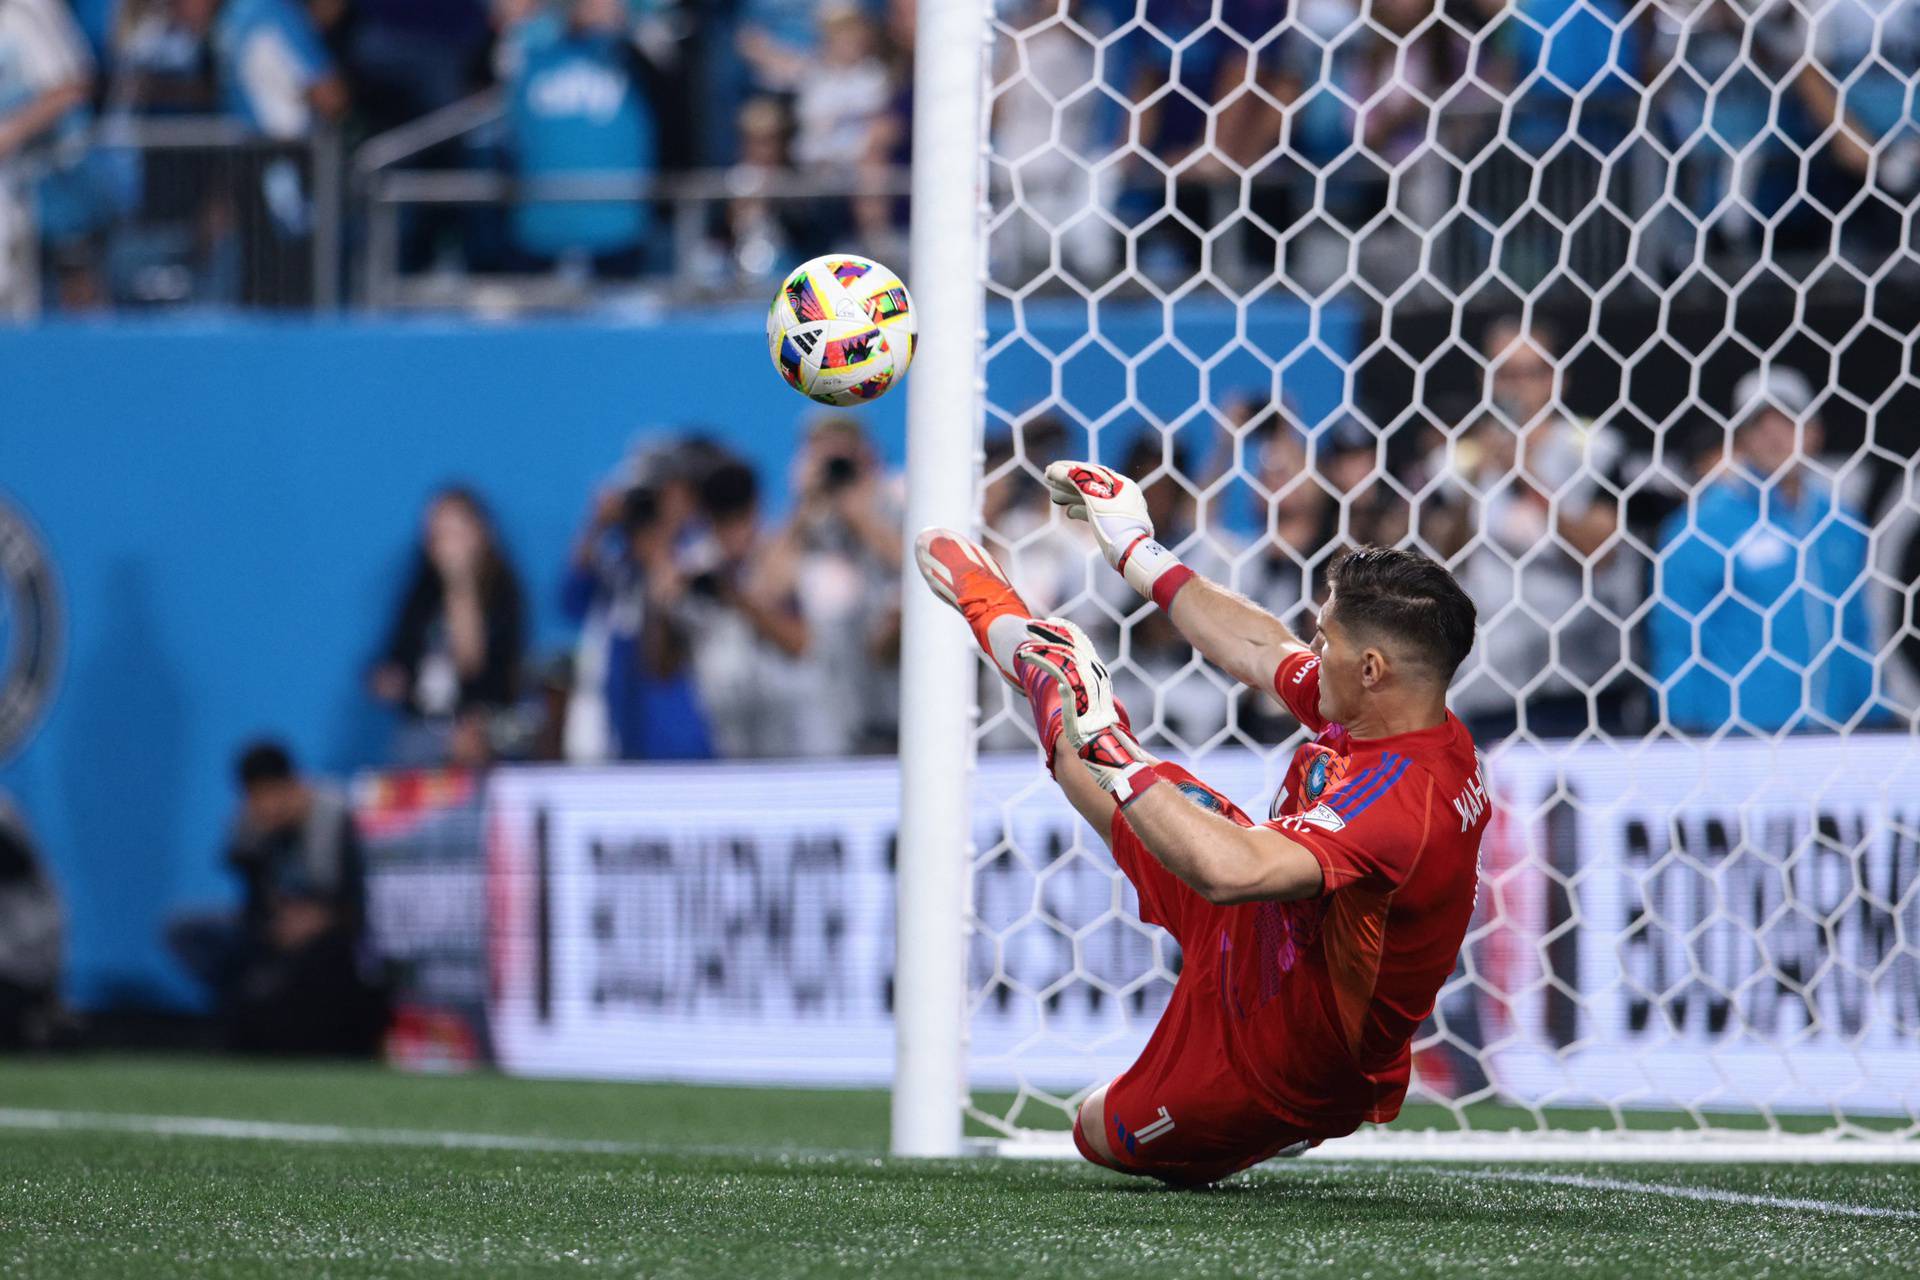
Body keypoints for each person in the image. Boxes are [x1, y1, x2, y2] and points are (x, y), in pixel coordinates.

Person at [913, 459, 1487, 1185]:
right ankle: (993, 606)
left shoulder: (1405, 801)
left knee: (1096, 1129)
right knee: (1075, 758)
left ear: (1371, 667)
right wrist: (1134, 549)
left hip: (1281, 1056)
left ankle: (1254, 1130)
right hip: (1269, 926)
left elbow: (1228, 873)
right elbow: (1258, 647)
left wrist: (1110, 737)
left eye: (1326, 640)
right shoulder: (1394, 714)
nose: (1313, 651)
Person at [1649, 366, 1882, 735]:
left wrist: (1874, 715)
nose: (1773, 435)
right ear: (1739, 438)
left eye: (1787, 420)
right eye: (1758, 424)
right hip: (1739, 743)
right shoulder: (1700, 527)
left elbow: (1857, 631)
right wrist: (1685, 733)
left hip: (1834, 740)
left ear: (1815, 432)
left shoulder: (1840, 523)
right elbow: (1676, 641)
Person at [167, 741, 383, 1054]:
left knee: (327, 958)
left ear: (293, 785)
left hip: (335, 933)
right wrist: (273, 922)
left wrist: (324, 919)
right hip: (279, 930)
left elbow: (363, 897)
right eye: (255, 797)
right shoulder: (251, 825)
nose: (266, 806)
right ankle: (240, 1016)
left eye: (271, 794)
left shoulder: (335, 816)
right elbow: (253, 899)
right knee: (188, 930)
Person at [562, 468, 714, 761]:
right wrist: (596, 525)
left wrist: (665, 549)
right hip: (619, 744)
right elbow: (571, 600)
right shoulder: (615, 577)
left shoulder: (695, 567)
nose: (644, 530)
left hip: (686, 748)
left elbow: (664, 661)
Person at [370, 487, 527, 767]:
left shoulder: (502, 592)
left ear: (480, 533)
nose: (444, 545)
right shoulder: (421, 592)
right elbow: (396, 657)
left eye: (453, 533)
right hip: (422, 726)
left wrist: (459, 582)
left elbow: (472, 664)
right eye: (436, 535)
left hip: (482, 728)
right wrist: (389, 680)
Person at [675, 458, 811, 758]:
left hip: (789, 735)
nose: (732, 531)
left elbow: (800, 644)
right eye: (721, 520)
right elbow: (662, 666)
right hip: (724, 736)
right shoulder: (695, 566)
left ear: (755, 508)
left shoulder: (779, 557)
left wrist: (738, 598)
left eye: (739, 517)